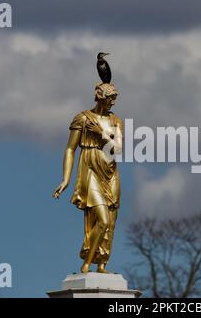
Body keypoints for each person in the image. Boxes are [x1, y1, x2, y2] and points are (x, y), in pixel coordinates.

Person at [53, 82, 123, 274]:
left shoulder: (115, 121)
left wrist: (101, 134)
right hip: (90, 168)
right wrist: (65, 179)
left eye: (114, 99)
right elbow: (70, 149)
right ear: (101, 97)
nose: (113, 103)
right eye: (110, 99)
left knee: (111, 219)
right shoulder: (82, 119)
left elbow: (117, 149)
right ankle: (87, 262)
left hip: (110, 171)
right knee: (102, 219)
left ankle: (102, 263)